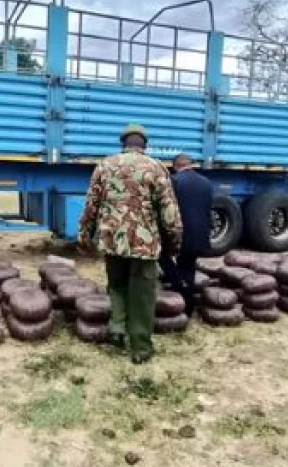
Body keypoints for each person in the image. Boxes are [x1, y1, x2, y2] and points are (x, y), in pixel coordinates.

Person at [77, 124, 182, 364]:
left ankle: (117, 330)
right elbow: (169, 213)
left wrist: (84, 238)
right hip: (143, 244)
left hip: (112, 242)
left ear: (123, 143)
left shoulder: (105, 166)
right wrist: (174, 244)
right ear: (144, 144)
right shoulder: (156, 168)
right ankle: (141, 349)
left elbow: (90, 207)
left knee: (117, 286)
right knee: (142, 295)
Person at [159, 153, 213, 317]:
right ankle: (188, 308)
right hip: (201, 235)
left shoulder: (174, 181)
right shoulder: (207, 183)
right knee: (189, 267)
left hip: (182, 234)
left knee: (162, 258)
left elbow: (168, 211)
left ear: (175, 166)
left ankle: (180, 290)